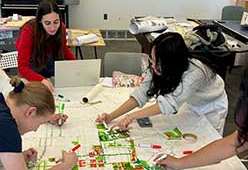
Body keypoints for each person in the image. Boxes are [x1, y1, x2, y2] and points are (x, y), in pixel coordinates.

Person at [96, 32, 228, 134]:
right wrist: (111, 116)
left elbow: (168, 104)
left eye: (157, 62)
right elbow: (141, 94)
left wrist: (130, 117)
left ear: (172, 62)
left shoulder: (196, 73)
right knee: (190, 134)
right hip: (191, 101)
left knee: (208, 139)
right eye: (152, 59)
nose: (153, 65)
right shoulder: (157, 65)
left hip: (211, 105)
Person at [16, 0, 76, 93]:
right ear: (40, 20)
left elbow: (63, 49)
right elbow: (23, 68)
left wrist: (77, 65)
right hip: (33, 67)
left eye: (56, 22)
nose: (53, 28)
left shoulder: (61, 28)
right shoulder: (28, 32)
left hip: (50, 64)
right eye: (47, 23)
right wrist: (42, 80)